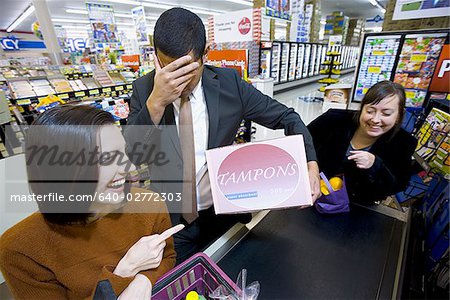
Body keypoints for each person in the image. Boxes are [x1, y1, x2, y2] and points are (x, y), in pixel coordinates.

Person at [125, 7, 321, 263]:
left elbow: (288, 117)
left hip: (221, 213)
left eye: (187, 69)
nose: (176, 80)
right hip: (171, 219)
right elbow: (132, 153)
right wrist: (156, 103)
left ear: (205, 53)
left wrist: (311, 164)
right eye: (168, 68)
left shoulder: (229, 83)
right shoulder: (144, 89)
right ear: (156, 57)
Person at [0, 105, 183, 299]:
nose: (127, 167)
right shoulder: (21, 250)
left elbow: (168, 257)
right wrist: (125, 272)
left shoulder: (149, 205)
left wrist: (145, 279)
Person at [307, 81, 418, 204]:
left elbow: (397, 186)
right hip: (311, 196)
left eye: (386, 114)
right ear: (362, 108)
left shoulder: (403, 143)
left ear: (398, 116)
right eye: (370, 111)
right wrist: (312, 168)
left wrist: (375, 165)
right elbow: (302, 142)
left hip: (355, 209)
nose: (375, 119)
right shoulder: (333, 120)